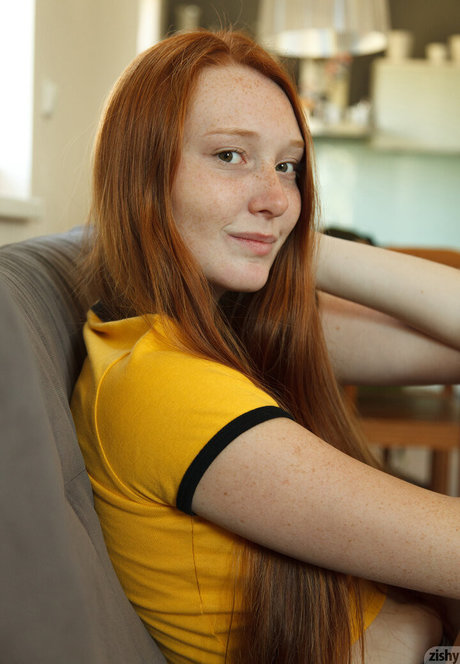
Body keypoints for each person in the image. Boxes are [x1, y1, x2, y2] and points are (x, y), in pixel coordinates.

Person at [71, 29, 460, 664]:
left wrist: (298, 241)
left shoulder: (221, 328)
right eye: (230, 156)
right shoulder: (162, 385)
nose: (276, 197)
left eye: (287, 166)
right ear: (141, 173)